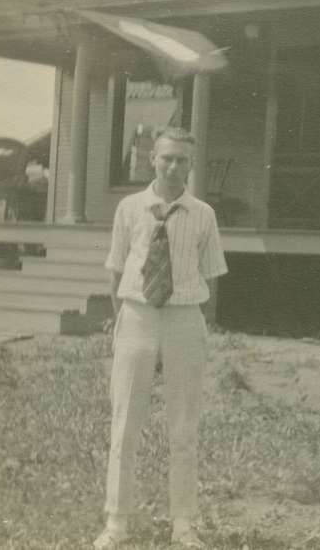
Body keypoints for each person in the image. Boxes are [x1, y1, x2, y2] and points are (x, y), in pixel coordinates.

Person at [94, 127, 228, 550]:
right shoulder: (130, 208)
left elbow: (213, 276)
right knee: (125, 423)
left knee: (183, 426)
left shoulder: (202, 214)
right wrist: (129, 318)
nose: (173, 167)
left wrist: (192, 320)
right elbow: (116, 268)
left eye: (182, 160)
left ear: (191, 164)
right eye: (166, 158)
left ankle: (183, 523)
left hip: (184, 319)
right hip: (137, 314)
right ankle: (116, 522)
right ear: (151, 159)